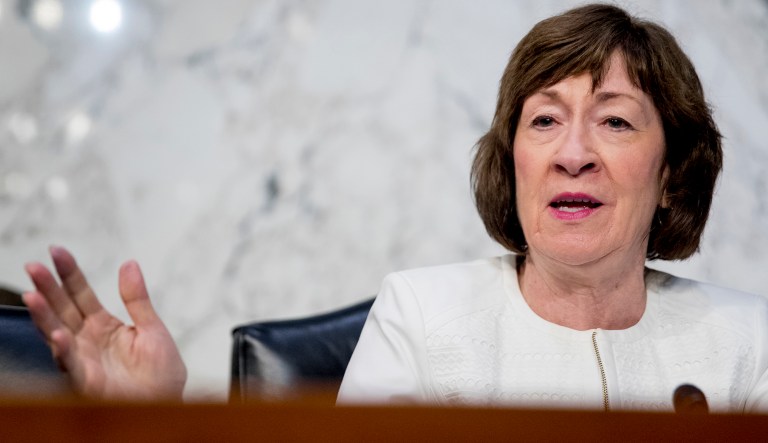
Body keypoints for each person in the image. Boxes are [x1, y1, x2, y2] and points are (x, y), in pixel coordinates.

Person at [22, 3, 768, 411]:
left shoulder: (747, 342)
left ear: (672, 171)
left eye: (614, 119)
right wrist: (152, 424)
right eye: (543, 120)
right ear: (513, 163)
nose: (573, 151)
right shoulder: (423, 315)